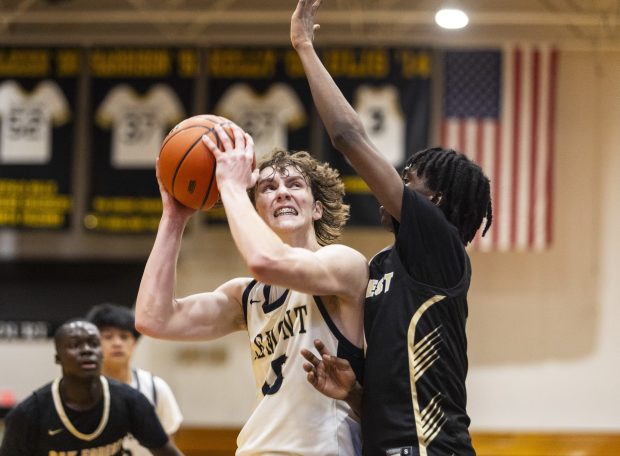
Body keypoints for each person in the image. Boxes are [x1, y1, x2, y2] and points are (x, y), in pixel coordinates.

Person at [291, 1, 493, 455]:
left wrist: (304, 46)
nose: (397, 184)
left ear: (434, 201)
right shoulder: (383, 263)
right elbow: (396, 390)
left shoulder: (439, 245)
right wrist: (354, 394)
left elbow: (348, 137)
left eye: (409, 180)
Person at [134, 123, 368, 455]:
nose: (282, 192)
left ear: (317, 208)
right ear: (256, 210)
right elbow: (152, 319)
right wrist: (173, 219)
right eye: (268, 187)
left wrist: (229, 185)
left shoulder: (342, 264)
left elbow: (265, 261)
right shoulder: (247, 296)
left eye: (295, 184)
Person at [0, 319, 184, 456]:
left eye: (93, 344)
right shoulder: (29, 413)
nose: (87, 350)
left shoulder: (130, 401)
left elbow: (166, 451)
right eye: (75, 345)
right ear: (58, 358)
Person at [86, 302, 183, 455]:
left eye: (124, 336)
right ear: (92, 343)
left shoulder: (155, 388)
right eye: (108, 336)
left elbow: (168, 444)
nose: (117, 343)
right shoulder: (80, 390)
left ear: (134, 343)